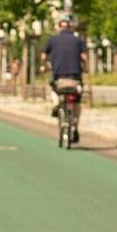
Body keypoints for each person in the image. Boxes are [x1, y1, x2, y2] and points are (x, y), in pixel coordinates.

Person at [40, 13, 88, 142]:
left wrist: (43, 66)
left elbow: (44, 56)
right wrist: (86, 68)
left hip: (58, 77)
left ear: (59, 27)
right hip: (75, 77)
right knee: (76, 102)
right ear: (71, 27)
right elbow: (84, 57)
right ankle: (75, 127)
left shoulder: (52, 40)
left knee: (54, 89)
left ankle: (56, 105)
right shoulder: (78, 40)